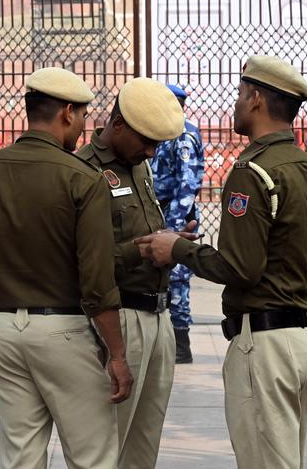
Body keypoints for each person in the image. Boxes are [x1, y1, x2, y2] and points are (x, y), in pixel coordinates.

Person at [135, 56, 307, 469]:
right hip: (302, 338)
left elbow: (239, 267)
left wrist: (177, 249)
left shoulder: (253, 171)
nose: (237, 104)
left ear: (257, 99)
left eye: (241, 95)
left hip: (264, 342)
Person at [0, 67, 133, 469]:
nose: (84, 128)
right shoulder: (82, 179)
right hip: (64, 333)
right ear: (67, 112)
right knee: (92, 458)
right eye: (83, 117)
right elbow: (97, 282)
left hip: (4, 334)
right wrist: (117, 354)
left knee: (20, 458)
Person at [77, 78, 190, 468]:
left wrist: (168, 242)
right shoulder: (85, 171)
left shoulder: (139, 166)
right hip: (120, 317)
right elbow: (82, 259)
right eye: (146, 140)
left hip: (158, 317)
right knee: (108, 442)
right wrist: (144, 250)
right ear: (119, 124)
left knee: (144, 443)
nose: (152, 151)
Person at [149, 83, 205, 365]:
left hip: (177, 219)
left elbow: (188, 184)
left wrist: (174, 229)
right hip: (161, 215)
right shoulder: (163, 132)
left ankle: (181, 344)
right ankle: (167, 341)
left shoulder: (183, 135)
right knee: (163, 280)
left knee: (178, 280)